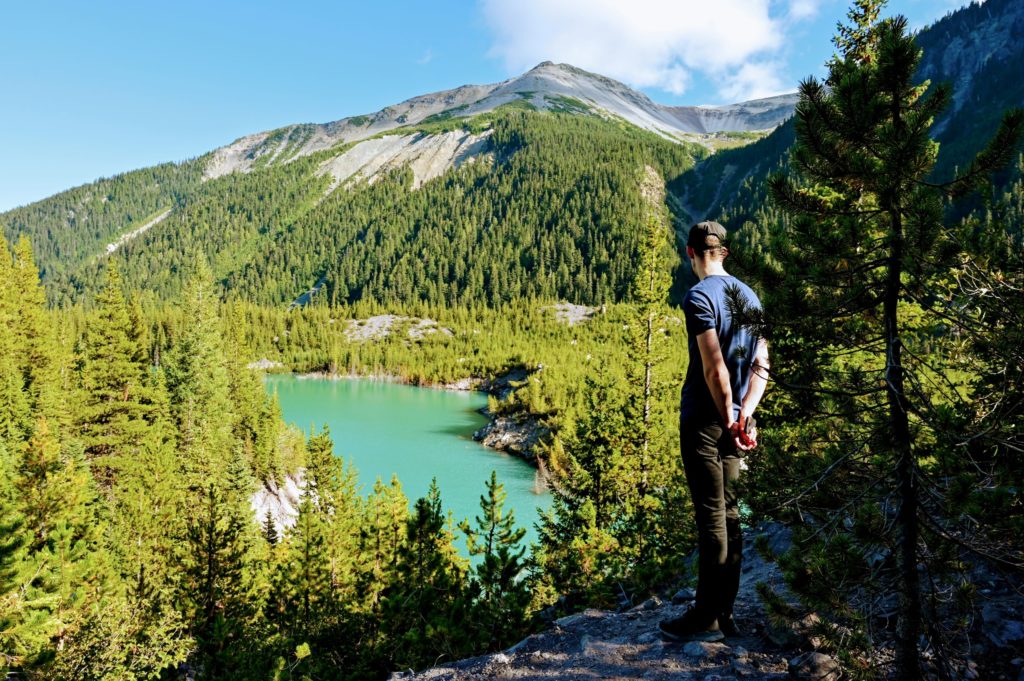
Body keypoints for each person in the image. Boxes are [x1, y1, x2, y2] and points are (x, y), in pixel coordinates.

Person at [659, 220, 770, 642]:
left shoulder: (698, 297)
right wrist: (744, 417)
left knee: (711, 518)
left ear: (691, 253)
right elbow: (761, 365)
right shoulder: (751, 296)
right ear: (723, 252)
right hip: (738, 419)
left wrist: (726, 417)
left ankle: (705, 618)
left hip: (706, 421)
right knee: (732, 514)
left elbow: (714, 367)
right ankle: (725, 613)